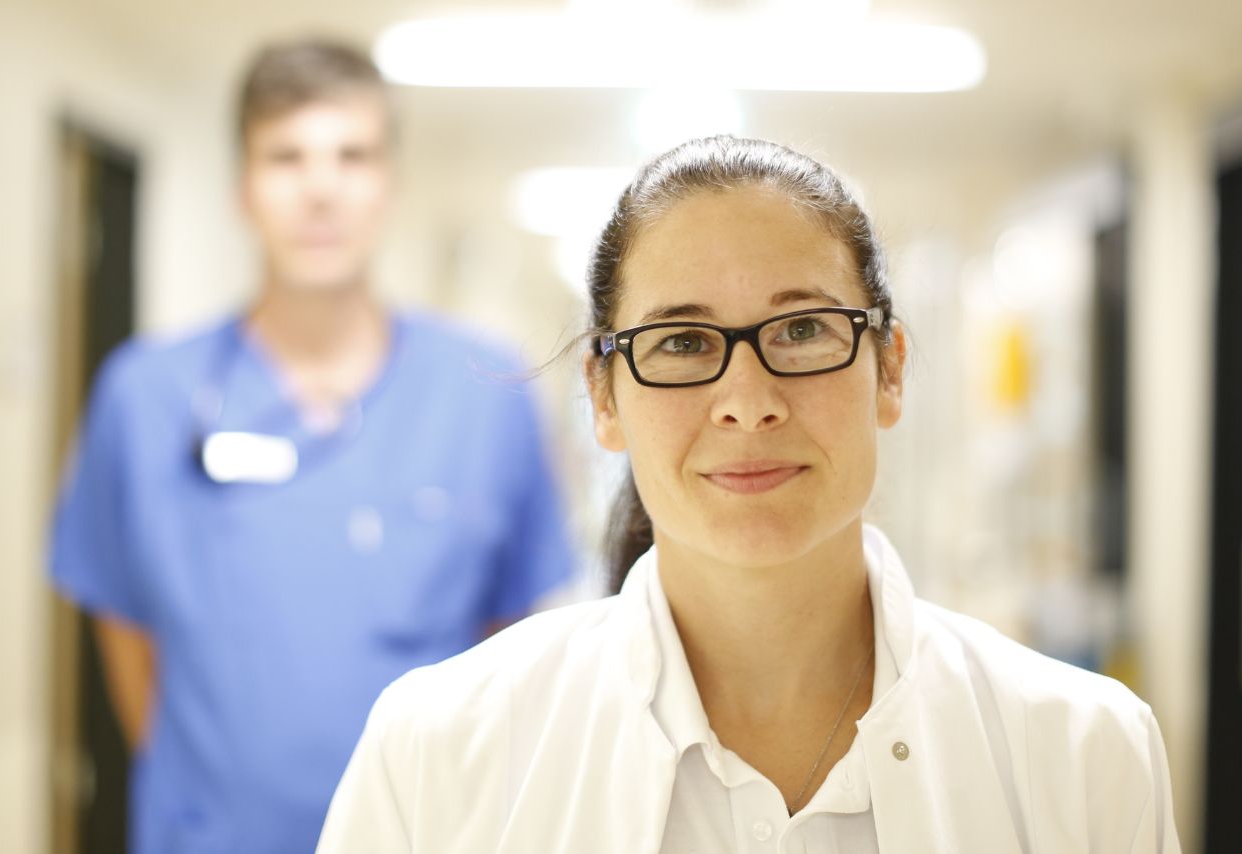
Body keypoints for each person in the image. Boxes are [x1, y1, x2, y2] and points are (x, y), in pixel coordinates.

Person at [316, 136, 1180, 852]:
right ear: (605, 398)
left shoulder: (1083, 750)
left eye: (802, 329)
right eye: (683, 341)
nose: (748, 401)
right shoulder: (438, 750)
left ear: (889, 371)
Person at [49, 38, 575, 854]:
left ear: (390, 184)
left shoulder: (486, 393)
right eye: (286, 157)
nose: (320, 191)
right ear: (242, 188)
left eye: (352, 156)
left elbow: (507, 651)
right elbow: (124, 629)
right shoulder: (144, 397)